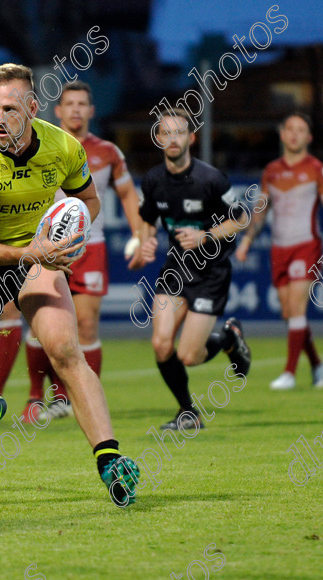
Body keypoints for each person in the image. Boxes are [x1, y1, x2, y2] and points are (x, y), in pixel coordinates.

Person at [0, 63, 140, 507]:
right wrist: (28, 253)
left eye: (10, 109)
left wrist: (71, 234)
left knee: (64, 350)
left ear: (33, 108)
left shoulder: (62, 147)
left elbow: (88, 201)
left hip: (39, 261)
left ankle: (110, 459)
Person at [4, 81, 145, 425]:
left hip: (89, 248)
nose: (76, 110)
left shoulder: (108, 151)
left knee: (85, 325)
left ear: (91, 110)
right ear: (59, 110)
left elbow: (127, 194)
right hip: (45, 249)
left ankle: (77, 398)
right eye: (70, 103)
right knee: (40, 328)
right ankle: (36, 397)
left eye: (83, 103)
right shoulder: (42, 145)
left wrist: (140, 234)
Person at [129, 108, 251, 431]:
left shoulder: (211, 179)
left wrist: (206, 236)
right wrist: (147, 241)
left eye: (178, 132)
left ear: (191, 138)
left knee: (188, 355)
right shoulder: (154, 180)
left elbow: (241, 218)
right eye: (165, 132)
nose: (172, 138)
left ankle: (228, 337)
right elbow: (146, 219)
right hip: (176, 269)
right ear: (158, 138)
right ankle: (189, 413)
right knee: (161, 344)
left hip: (211, 273)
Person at [236, 112, 323, 390]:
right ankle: (318, 364)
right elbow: (260, 210)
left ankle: (289, 373)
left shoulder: (318, 169)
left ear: (309, 137)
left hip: (306, 245)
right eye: (290, 129)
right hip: (279, 247)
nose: (295, 134)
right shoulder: (271, 170)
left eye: (301, 130)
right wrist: (248, 239)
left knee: (297, 308)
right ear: (282, 134)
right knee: (290, 314)